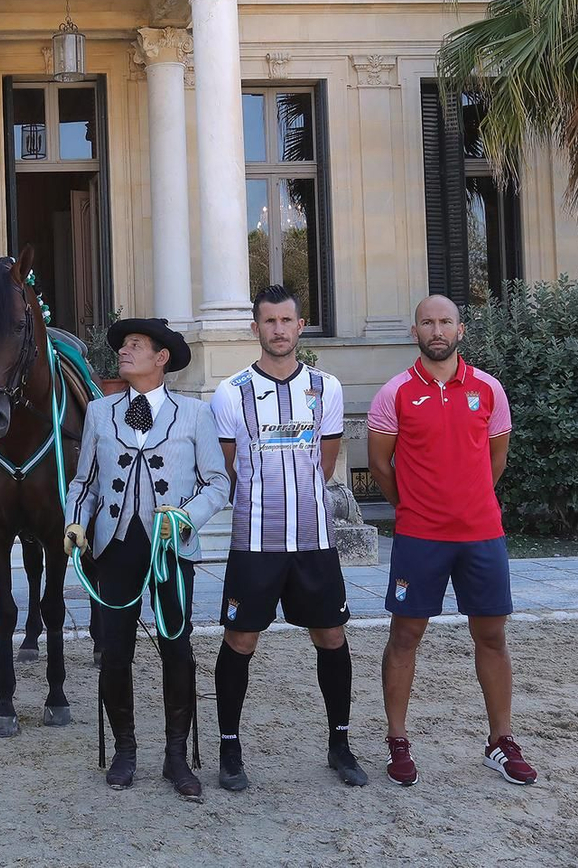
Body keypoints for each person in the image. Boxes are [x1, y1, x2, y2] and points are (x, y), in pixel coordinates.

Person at [368, 294, 536, 787]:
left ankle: (500, 741)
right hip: (419, 537)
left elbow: (495, 460)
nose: (436, 330)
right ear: (414, 331)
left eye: (445, 322)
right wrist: (414, 507)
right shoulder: (393, 393)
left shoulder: (488, 389)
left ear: (460, 330)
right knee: (405, 635)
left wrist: (469, 500)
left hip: (482, 534)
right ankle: (398, 742)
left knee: (491, 635)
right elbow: (380, 464)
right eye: (427, 322)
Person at [208, 285, 366, 792]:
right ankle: (230, 749)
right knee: (240, 639)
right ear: (255, 329)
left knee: (332, 637)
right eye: (268, 321)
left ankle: (340, 744)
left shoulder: (327, 388)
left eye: (287, 321)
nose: (278, 329)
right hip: (253, 544)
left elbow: (325, 459)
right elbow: (232, 466)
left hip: (314, 542)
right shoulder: (229, 392)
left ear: (300, 327)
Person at [63, 318, 229, 800]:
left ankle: (176, 756)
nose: (124, 351)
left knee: (177, 647)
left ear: (162, 359)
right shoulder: (99, 412)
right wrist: (75, 520)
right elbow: (84, 483)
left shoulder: (195, 415)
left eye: (136, 345)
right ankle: (124, 749)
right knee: (115, 650)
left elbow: (217, 484)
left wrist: (186, 518)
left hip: (170, 548)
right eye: (123, 345)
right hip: (114, 547)